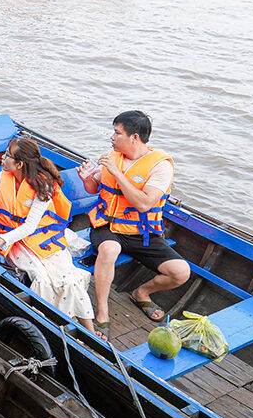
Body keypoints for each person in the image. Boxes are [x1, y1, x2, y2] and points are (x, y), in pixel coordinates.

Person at [0, 138, 97, 335]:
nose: (2, 157)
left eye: (7, 155)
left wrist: (0, 239)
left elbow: (31, 226)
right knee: (41, 277)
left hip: (43, 240)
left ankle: (89, 333)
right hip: (16, 244)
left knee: (69, 278)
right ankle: (48, 327)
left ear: (19, 164)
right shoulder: (3, 177)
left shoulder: (43, 186)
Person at [78, 111, 191, 340]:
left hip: (142, 233)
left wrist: (117, 173)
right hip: (107, 226)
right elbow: (94, 188)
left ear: (134, 137)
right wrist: (87, 179)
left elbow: (144, 204)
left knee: (181, 272)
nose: (112, 137)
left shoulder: (161, 166)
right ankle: (102, 312)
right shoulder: (113, 156)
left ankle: (141, 293)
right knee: (110, 249)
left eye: (117, 132)